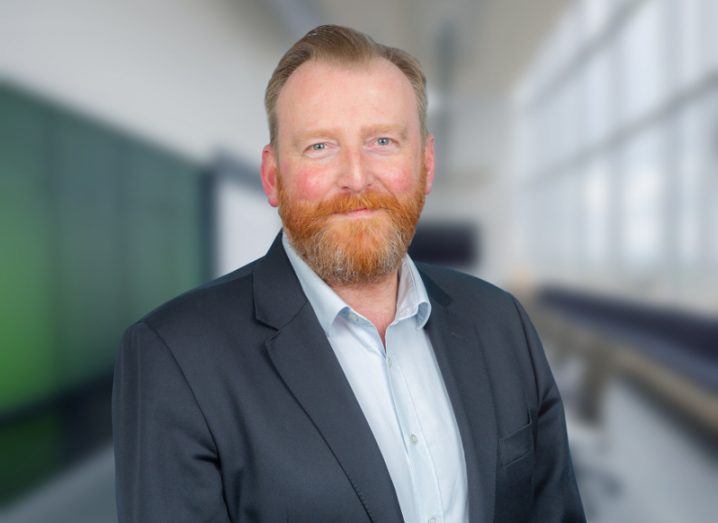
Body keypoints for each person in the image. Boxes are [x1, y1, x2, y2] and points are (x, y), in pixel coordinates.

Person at [112, 24, 585, 523]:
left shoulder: (501, 322)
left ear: (426, 163)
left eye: (382, 140)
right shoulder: (174, 356)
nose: (356, 178)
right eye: (320, 146)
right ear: (273, 177)